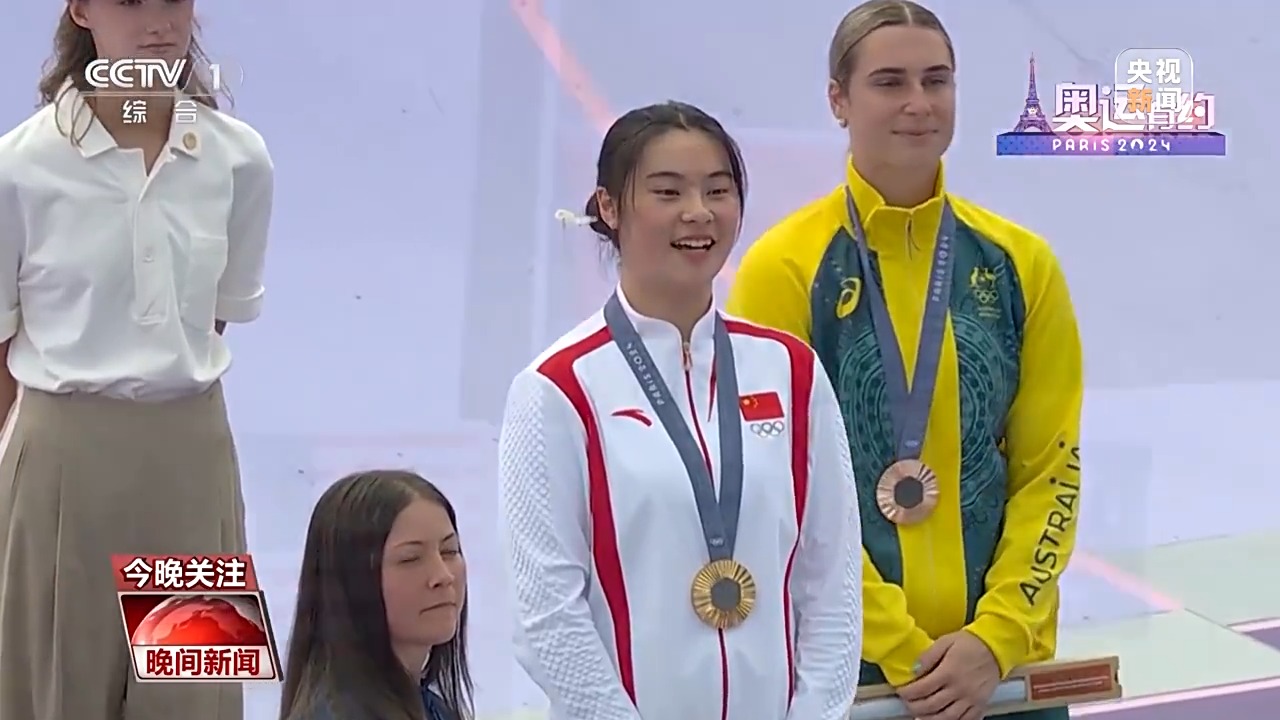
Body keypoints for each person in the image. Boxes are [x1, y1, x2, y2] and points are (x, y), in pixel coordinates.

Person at [726, 2, 1084, 720]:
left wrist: (997, 637)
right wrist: (902, 650)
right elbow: (776, 487)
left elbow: (1051, 468)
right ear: (838, 99)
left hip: (1001, 675)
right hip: (854, 678)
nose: (919, 103)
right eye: (890, 82)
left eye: (936, 80)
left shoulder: (1022, 264)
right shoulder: (783, 270)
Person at [498, 100, 862, 720]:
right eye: (668, 191)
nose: (698, 212)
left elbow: (832, 582)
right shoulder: (557, 388)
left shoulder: (792, 371)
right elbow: (547, 614)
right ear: (609, 207)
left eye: (718, 190)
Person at [0, 2, 273, 719]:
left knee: (192, 700)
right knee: (54, 693)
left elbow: (210, 321)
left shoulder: (239, 159)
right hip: (61, 469)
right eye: (129, 1)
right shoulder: (19, 167)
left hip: (189, 464)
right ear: (81, 9)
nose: (157, 22)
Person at [279, 470, 472, 720]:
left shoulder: (434, 709)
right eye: (410, 558)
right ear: (350, 580)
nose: (443, 576)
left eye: (449, 551)